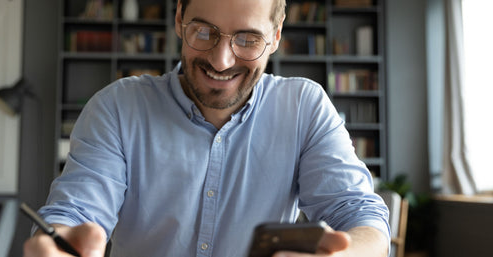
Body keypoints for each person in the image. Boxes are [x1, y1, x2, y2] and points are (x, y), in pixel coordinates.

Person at [24, 0, 390, 256]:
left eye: (247, 39)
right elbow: (74, 214)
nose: (221, 59)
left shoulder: (304, 108)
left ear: (275, 36)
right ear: (180, 17)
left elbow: (361, 215)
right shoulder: (118, 108)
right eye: (204, 31)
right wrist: (59, 244)